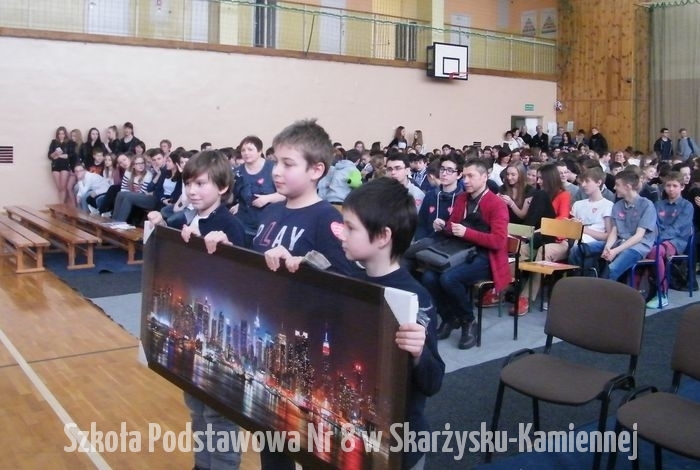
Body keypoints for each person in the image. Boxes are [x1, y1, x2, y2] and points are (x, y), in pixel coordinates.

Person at [148, 150, 245, 470]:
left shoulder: (229, 225)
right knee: (197, 407)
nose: (192, 190)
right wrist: (163, 226)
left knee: (220, 416)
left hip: (221, 339)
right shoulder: (193, 218)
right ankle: (202, 465)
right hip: (195, 328)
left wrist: (226, 249)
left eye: (201, 184)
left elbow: (240, 281)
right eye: (188, 183)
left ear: (222, 187)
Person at [339, 177, 445, 470]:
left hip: (400, 445)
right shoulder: (351, 282)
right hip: (358, 435)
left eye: (351, 228)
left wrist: (419, 352)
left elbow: (433, 381)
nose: (342, 234)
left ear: (383, 236)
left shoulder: (414, 298)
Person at [421, 159, 509, 350]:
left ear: (484, 177)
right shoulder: (462, 198)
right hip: (460, 251)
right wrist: (444, 226)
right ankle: (448, 317)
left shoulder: (497, 204)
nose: (466, 180)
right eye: (465, 176)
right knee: (428, 277)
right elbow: (454, 227)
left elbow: (499, 241)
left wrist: (466, 233)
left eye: (471, 176)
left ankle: (468, 321)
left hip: (486, 257)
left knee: (449, 279)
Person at [642, 171, 694, 308]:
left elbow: (677, 228)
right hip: (656, 240)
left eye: (675, 186)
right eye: (668, 185)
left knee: (655, 251)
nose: (671, 189)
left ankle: (662, 293)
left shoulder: (687, 206)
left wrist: (658, 240)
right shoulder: (658, 204)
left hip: (677, 242)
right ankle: (638, 290)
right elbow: (654, 225)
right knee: (642, 250)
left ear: (682, 187)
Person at [602, 169, 657, 282]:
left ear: (627, 187)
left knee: (612, 269)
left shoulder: (647, 205)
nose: (614, 188)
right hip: (619, 242)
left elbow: (639, 236)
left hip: (638, 246)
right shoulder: (618, 205)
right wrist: (607, 247)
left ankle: (599, 291)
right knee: (585, 249)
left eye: (617, 185)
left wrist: (615, 251)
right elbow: (614, 231)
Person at [231, 135, 285, 245]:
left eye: (250, 149)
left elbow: (286, 194)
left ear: (260, 151)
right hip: (244, 223)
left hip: (269, 225)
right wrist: (238, 204)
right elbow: (234, 195)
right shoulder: (237, 172)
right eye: (243, 150)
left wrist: (267, 198)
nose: (246, 153)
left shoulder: (273, 168)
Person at [567, 167, 614, 276]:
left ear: (599, 183)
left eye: (587, 181)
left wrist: (583, 229)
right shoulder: (578, 204)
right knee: (577, 247)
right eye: (582, 182)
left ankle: (585, 279)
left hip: (594, 242)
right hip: (575, 240)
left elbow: (607, 235)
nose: (583, 185)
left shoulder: (608, 205)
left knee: (583, 249)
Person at [414, 153, 464, 241]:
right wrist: (421, 240)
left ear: (459, 175)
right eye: (442, 169)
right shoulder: (430, 195)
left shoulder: (463, 199)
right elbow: (421, 224)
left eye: (450, 170)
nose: (444, 173)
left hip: (450, 245)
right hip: (427, 244)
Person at [48, 126, 71, 204]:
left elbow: (69, 155)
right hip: (55, 166)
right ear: (57, 135)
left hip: (65, 166)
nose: (61, 135)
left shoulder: (68, 143)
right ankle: (61, 204)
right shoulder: (54, 142)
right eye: (59, 134)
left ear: (65, 134)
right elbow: (50, 156)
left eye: (63, 134)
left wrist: (59, 156)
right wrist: (55, 153)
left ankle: (61, 205)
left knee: (63, 187)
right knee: (59, 187)